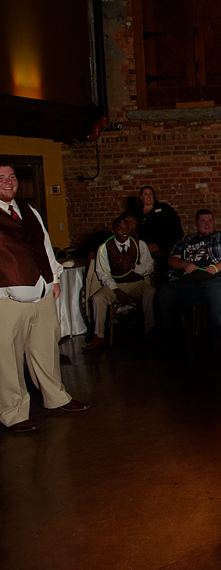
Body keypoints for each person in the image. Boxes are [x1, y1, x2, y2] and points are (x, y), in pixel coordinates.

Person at [0, 161, 88, 433]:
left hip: (42, 293)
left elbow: (46, 246)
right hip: (6, 299)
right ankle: (13, 414)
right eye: (0, 177)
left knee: (46, 351)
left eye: (11, 176)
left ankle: (55, 397)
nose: (8, 181)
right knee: (7, 359)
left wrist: (55, 279)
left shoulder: (29, 210)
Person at [157, 209, 221, 350]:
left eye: (210, 220)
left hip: (216, 280)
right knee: (165, 293)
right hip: (185, 282)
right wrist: (184, 264)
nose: (207, 224)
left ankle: (217, 343)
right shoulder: (185, 241)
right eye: (203, 221)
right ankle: (173, 341)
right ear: (197, 223)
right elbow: (172, 260)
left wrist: (217, 267)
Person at [85, 216, 157, 350]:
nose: (124, 232)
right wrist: (116, 290)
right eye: (120, 229)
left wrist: (132, 266)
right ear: (113, 231)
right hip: (115, 284)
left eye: (126, 228)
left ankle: (149, 330)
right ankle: (99, 336)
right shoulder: (104, 247)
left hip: (135, 282)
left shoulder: (139, 244)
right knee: (98, 298)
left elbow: (149, 267)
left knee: (150, 291)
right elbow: (103, 273)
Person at [135, 185, 183, 267]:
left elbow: (175, 227)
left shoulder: (164, 209)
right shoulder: (136, 212)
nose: (148, 196)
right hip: (143, 243)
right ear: (141, 197)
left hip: (162, 243)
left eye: (150, 194)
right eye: (145, 194)